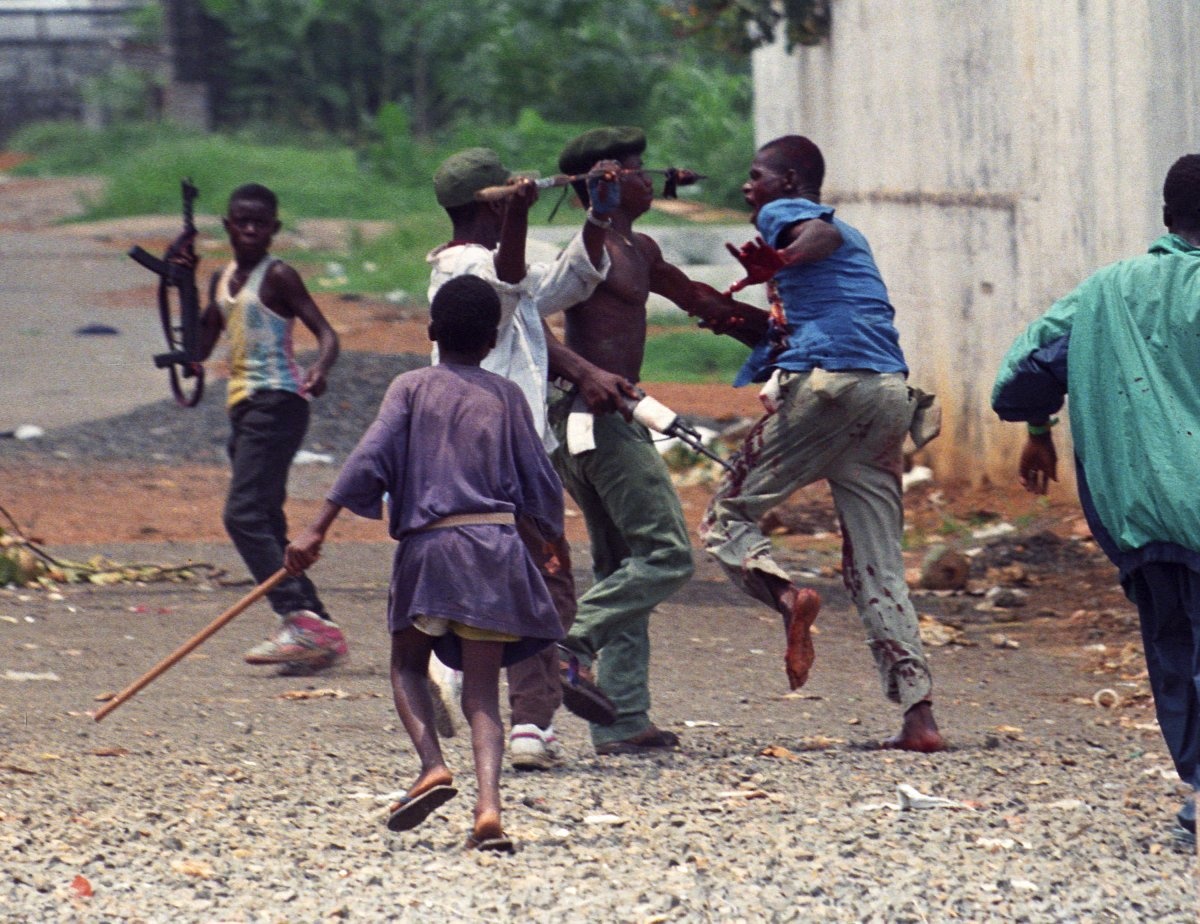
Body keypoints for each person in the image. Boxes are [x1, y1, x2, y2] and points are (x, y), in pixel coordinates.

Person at [284, 275, 566, 852]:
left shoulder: (410, 387)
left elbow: (369, 457)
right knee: (483, 695)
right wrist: (547, 543)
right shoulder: (507, 396)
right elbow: (538, 478)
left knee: (408, 667)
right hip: (495, 550)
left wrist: (317, 527)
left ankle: (432, 766)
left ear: (432, 333)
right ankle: (489, 809)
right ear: (491, 341)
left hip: (431, 551)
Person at [695, 135, 945, 752]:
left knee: (726, 514)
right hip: (888, 396)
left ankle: (788, 595)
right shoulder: (849, 252)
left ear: (790, 181)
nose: (748, 188)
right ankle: (920, 717)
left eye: (757, 176)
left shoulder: (791, 219)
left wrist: (781, 260)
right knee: (877, 566)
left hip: (831, 389)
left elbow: (817, 237)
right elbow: (795, 312)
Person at [992, 154, 1200, 845]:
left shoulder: (1106, 293)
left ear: (1166, 217)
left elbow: (1020, 379)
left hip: (1140, 516)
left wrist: (1039, 430)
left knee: (1175, 650)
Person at [426, 147, 626, 769]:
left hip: (478, 456)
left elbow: (558, 286)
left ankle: (458, 676)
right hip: (508, 456)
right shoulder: (464, 268)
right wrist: (518, 220)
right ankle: (528, 725)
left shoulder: (484, 261)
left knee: (498, 577)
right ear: (490, 206)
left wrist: (596, 218)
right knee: (545, 584)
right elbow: (510, 288)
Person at [548, 126, 733, 756]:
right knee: (667, 556)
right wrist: (596, 219)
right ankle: (569, 645)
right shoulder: (589, 248)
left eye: (642, 168)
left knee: (618, 566)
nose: (644, 177)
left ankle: (623, 720)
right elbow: (531, 308)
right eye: (631, 169)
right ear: (599, 181)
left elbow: (694, 296)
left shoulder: (642, 247)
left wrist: (763, 328)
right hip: (596, 419)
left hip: (610, 422)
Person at [191, 182, 346, 675]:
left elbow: (326, 333)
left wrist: (319, 368)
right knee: (267, 519)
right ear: (228, 226)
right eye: (243, 221)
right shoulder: (219, 279)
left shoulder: (277, 276)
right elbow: (197, 349)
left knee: (242, 515)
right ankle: (317, 626)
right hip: (243, 408)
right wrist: (178, 281)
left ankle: (294, 617)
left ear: (274, 229)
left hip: (279, 403)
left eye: (261, 223)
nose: (252, 229)